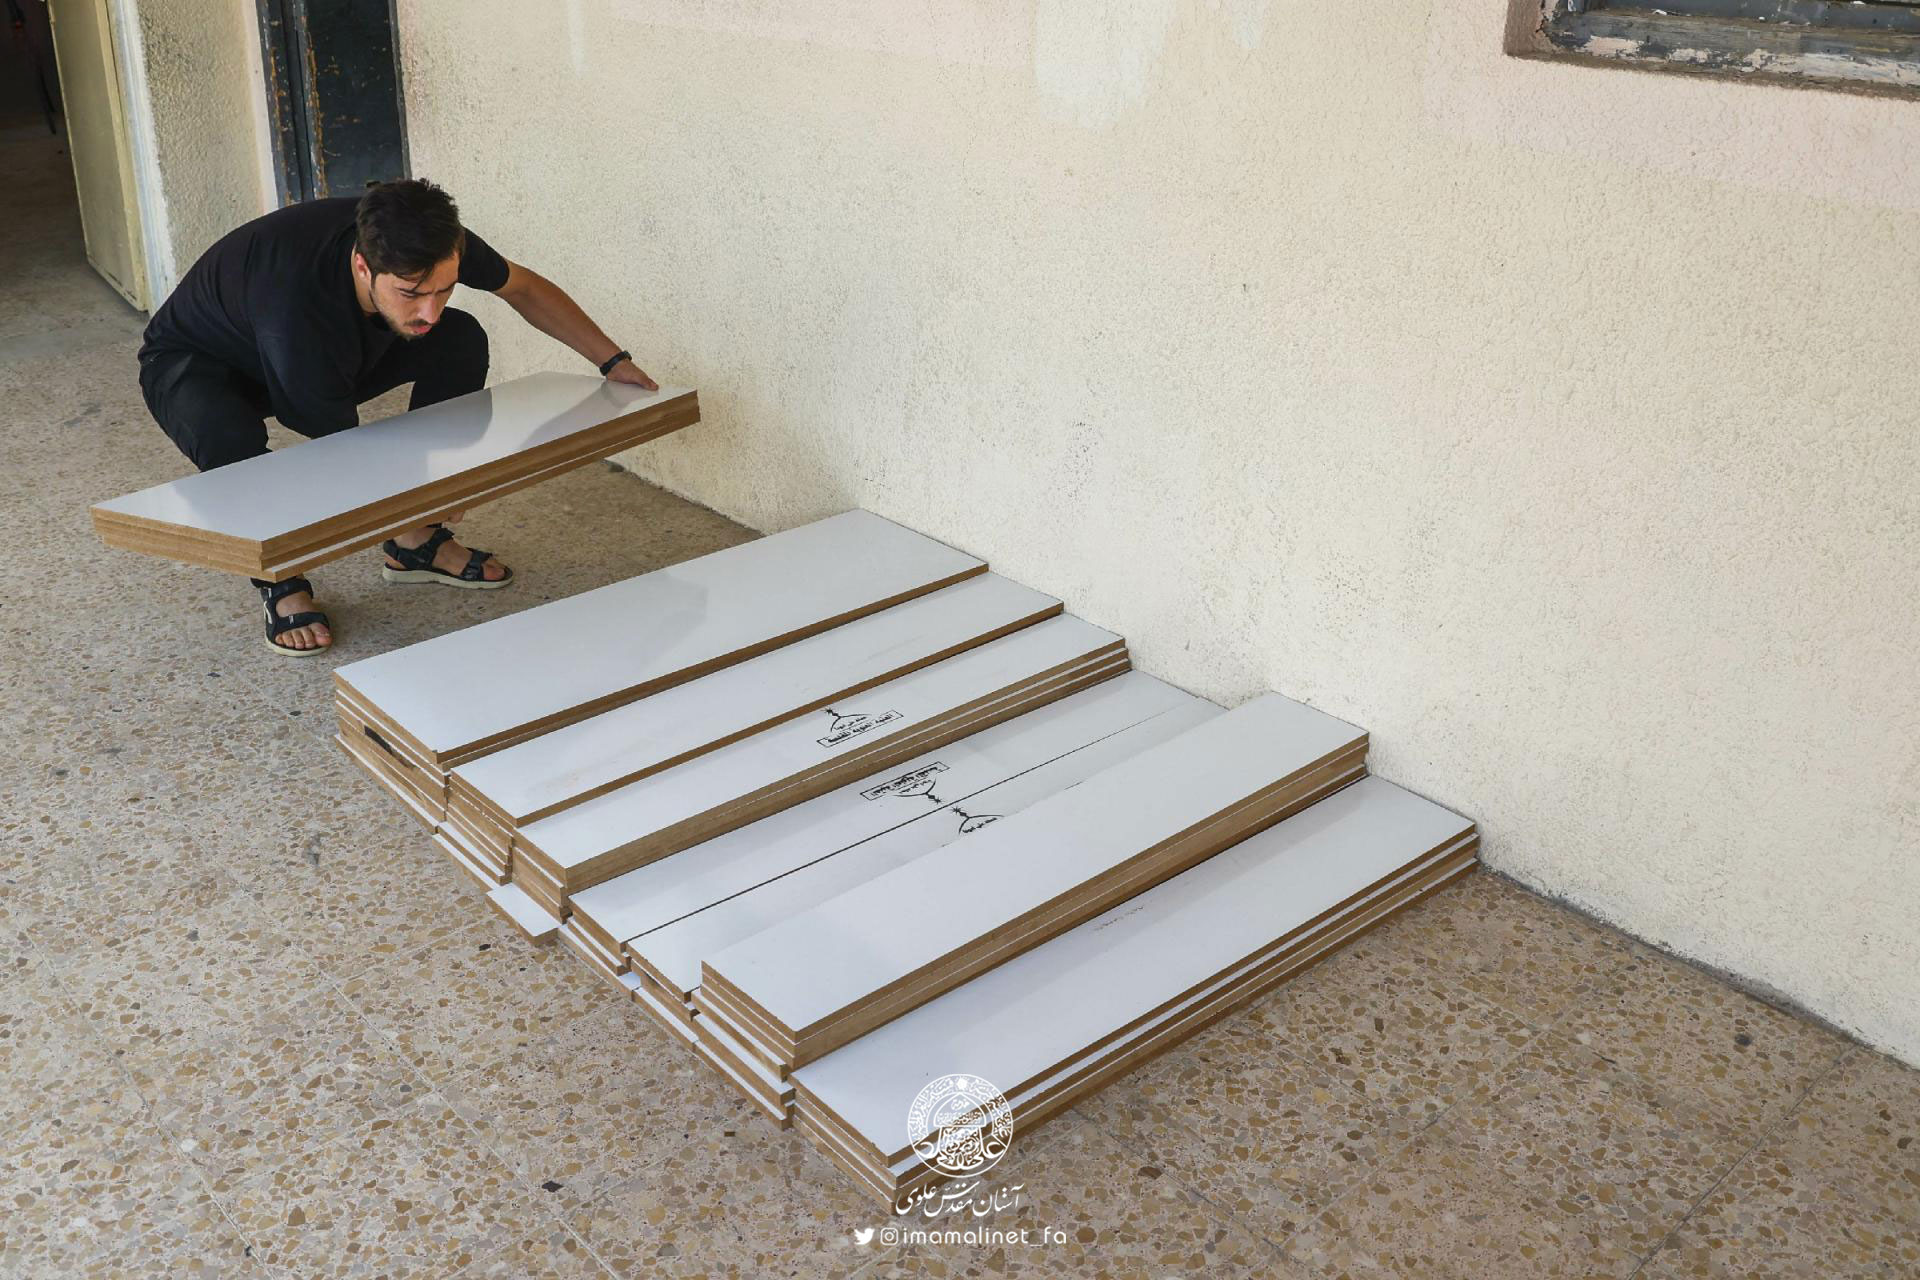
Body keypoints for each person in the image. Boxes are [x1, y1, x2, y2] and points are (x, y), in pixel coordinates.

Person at [135, 178, 655, 656]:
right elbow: (344, 454)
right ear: (363, 266)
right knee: (230, 440)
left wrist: (613, 361)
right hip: (199, 362)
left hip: (327, 344)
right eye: (411, 293)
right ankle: (282, 581)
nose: (430, 309)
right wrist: (437, 488)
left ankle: (415, 544)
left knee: (459, 337)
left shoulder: (430, 238)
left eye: (443, 289)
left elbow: (523, 288)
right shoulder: (296, 306)